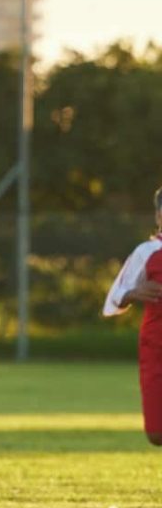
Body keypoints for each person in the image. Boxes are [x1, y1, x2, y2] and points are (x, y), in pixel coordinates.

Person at [104, 186, 162, 445]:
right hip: (156, 347)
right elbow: (114, 297)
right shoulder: (146, 252)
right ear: (158, 215)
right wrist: (135, 292)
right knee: (156, 434)